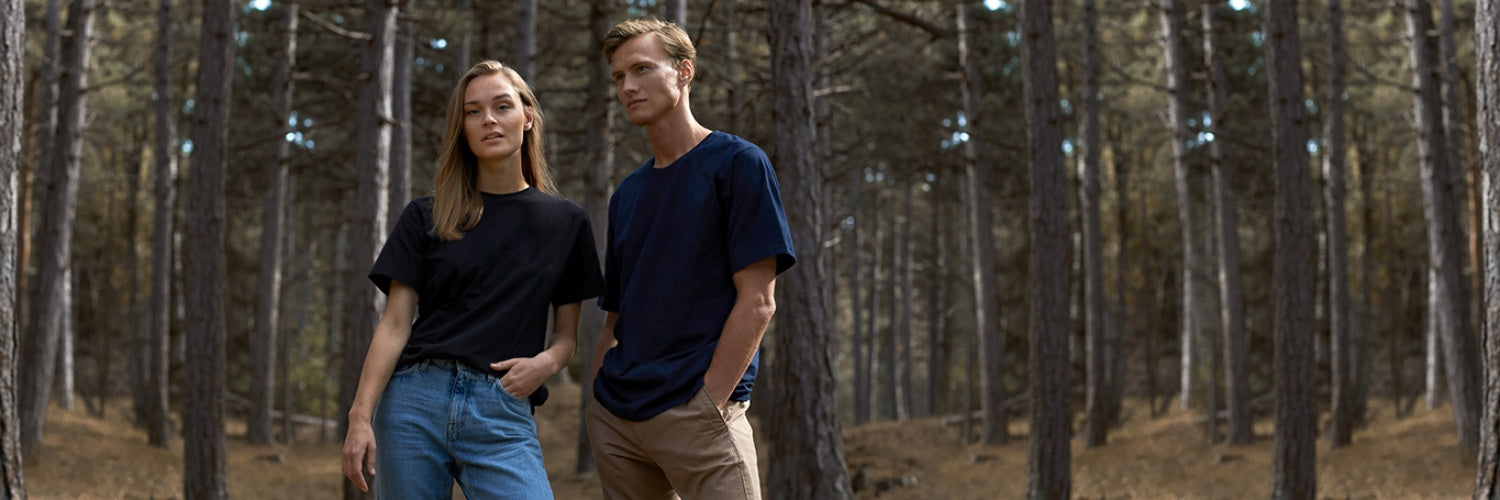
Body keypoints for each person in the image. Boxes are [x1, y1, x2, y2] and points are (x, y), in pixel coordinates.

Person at [340, 60, 603, 498]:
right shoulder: (426, 215)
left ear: (527, 116)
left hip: (502, 408)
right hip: (413, 403)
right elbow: (395, 324)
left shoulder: (566, 223)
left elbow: (565, 337)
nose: (489, 120)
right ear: (461, 127)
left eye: (502, 106)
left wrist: (545, 364)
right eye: (473, 111)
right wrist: (359, 417)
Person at [586, 18, 795, 500]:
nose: (627, 87)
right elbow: (616, 316)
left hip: (698, 414)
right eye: (619, 76)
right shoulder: (628, 195)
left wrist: (710, 402)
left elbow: (759, 300)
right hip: (619, 423)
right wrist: (598, 401)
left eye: (641, 69)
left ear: (684, 71)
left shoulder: (738, 163)